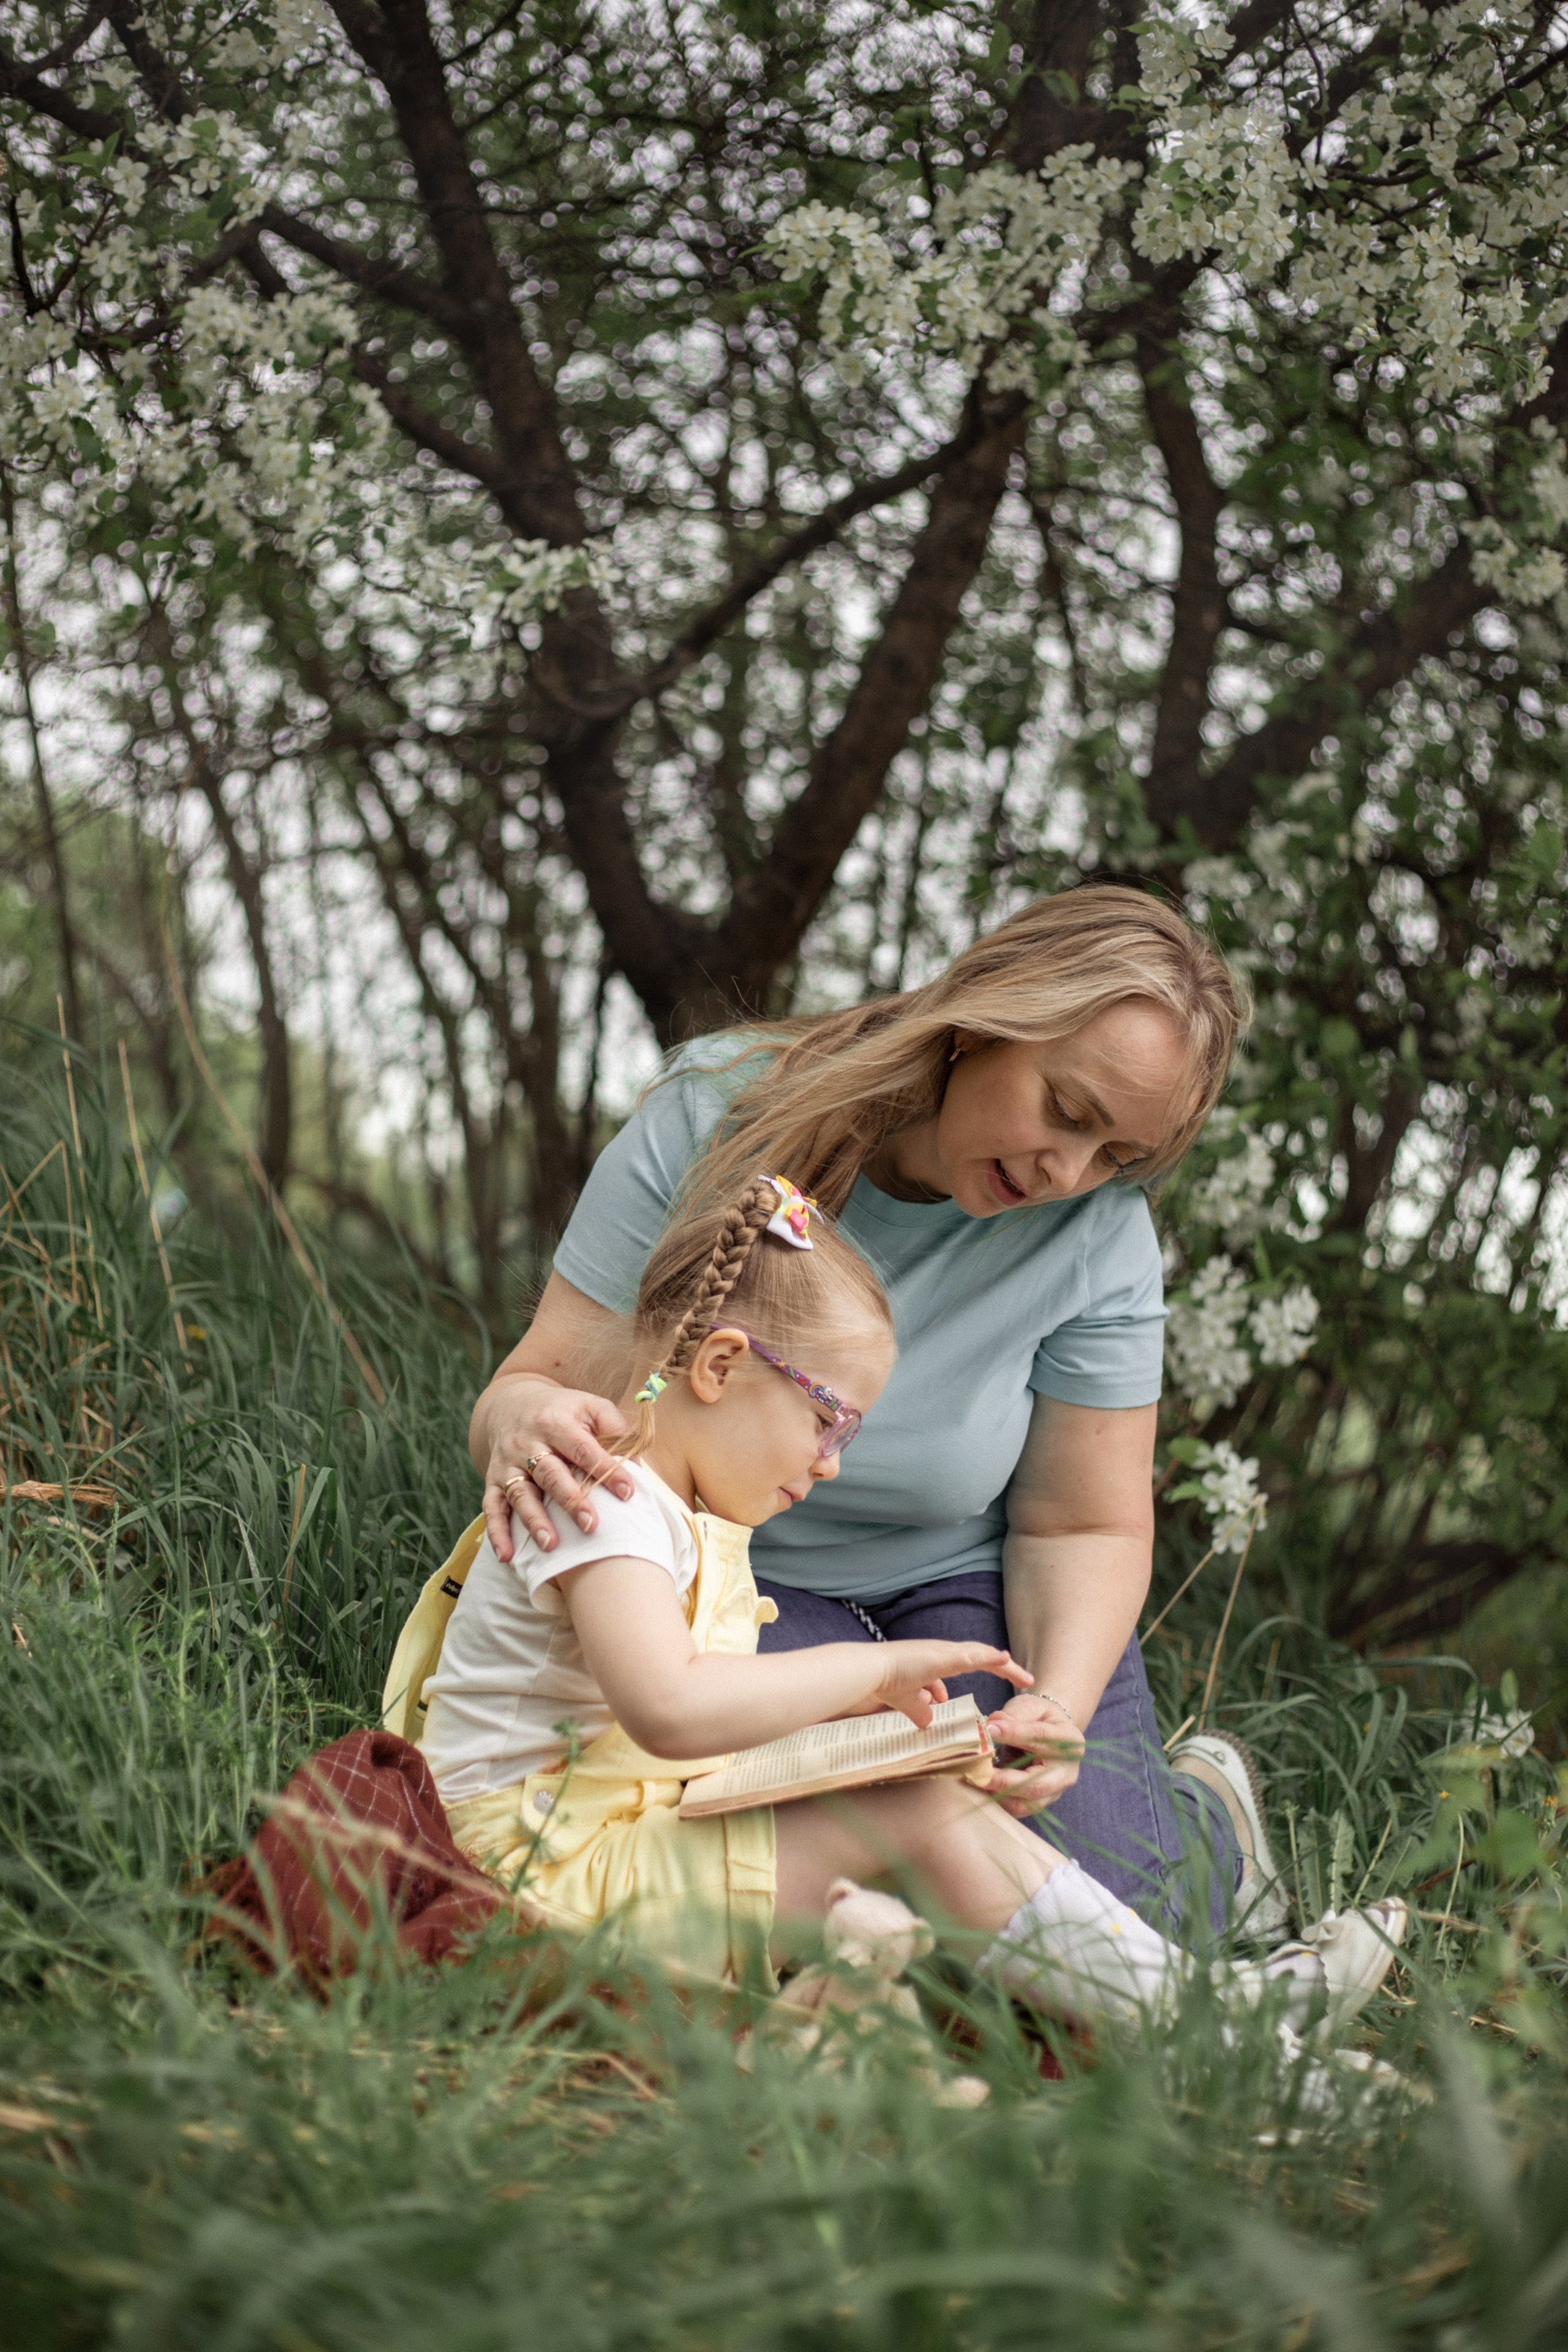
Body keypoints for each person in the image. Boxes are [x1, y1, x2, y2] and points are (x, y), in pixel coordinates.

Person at [396, 1175, 1401, 2031]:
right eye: (828, 1422)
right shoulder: (606, 1504)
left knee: (930, 1792)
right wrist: (871, 1670)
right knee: (915, 1817)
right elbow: (669, 1708)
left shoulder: (684, 1514)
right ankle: (1223, 2032)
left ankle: (1209, 2015)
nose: (831, 1466)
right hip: (535, 1878)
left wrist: (866, 1729)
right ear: (720, 1365)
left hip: (595, 1843)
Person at [466, 889, 1276, 1935]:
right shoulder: (721, 1109)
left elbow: (1085, 1521)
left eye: (1116, 1156)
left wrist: (1056, 1709)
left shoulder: (1099, 1239)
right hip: (736, 1584)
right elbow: (536, 1387)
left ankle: (1210, 1823)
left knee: (1123, 1913)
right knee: (866, 1868)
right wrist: (521, 1425)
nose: (1067, 1173)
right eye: (1068, 1113)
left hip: (964, 1583)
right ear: (986, 1017)